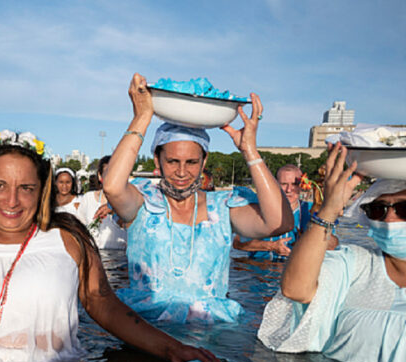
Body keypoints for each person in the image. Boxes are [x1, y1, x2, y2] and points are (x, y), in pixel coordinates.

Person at [0, 129, 221, 362]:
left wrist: (171, 348)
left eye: (26, 188)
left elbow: (101, 302)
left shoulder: (67, 236)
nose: (11, 200)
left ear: (42, 190)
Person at [102, 74, 293, 323]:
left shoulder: (223, 207)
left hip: (211, 335)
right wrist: (142, 117)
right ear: (157, 161)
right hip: (145, 331)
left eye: (192, 162)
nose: (182, 172)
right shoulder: (143, 202)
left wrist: (250, 151)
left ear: (204, 162)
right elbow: (113, 187)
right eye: (172, 161)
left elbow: (280, 222)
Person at [258, 143, 405, 362]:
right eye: (378, 209)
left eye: (403, 209)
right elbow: (296, 289)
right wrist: (328, 209)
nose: (390, 218)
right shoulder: (356, 264)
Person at [233, 164, 338, 260]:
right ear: (275, 185)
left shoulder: (312, 210)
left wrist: (319, 222)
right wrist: (271, 246)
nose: (289, 189)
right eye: (284, 184)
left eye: (295, 184)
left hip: (294, 269)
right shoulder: (258, 208)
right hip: (260, 267)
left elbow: (333, 245)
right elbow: (237, 243)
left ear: (302, 185)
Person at [77, 155, 127, 249]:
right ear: (100, 176)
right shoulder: (88, 198)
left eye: (116, 173)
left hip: (120, 258)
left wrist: (115, 210)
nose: (112, 178)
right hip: (95, 255)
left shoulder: (128, 200)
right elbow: (79, 228)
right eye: (107, 173)